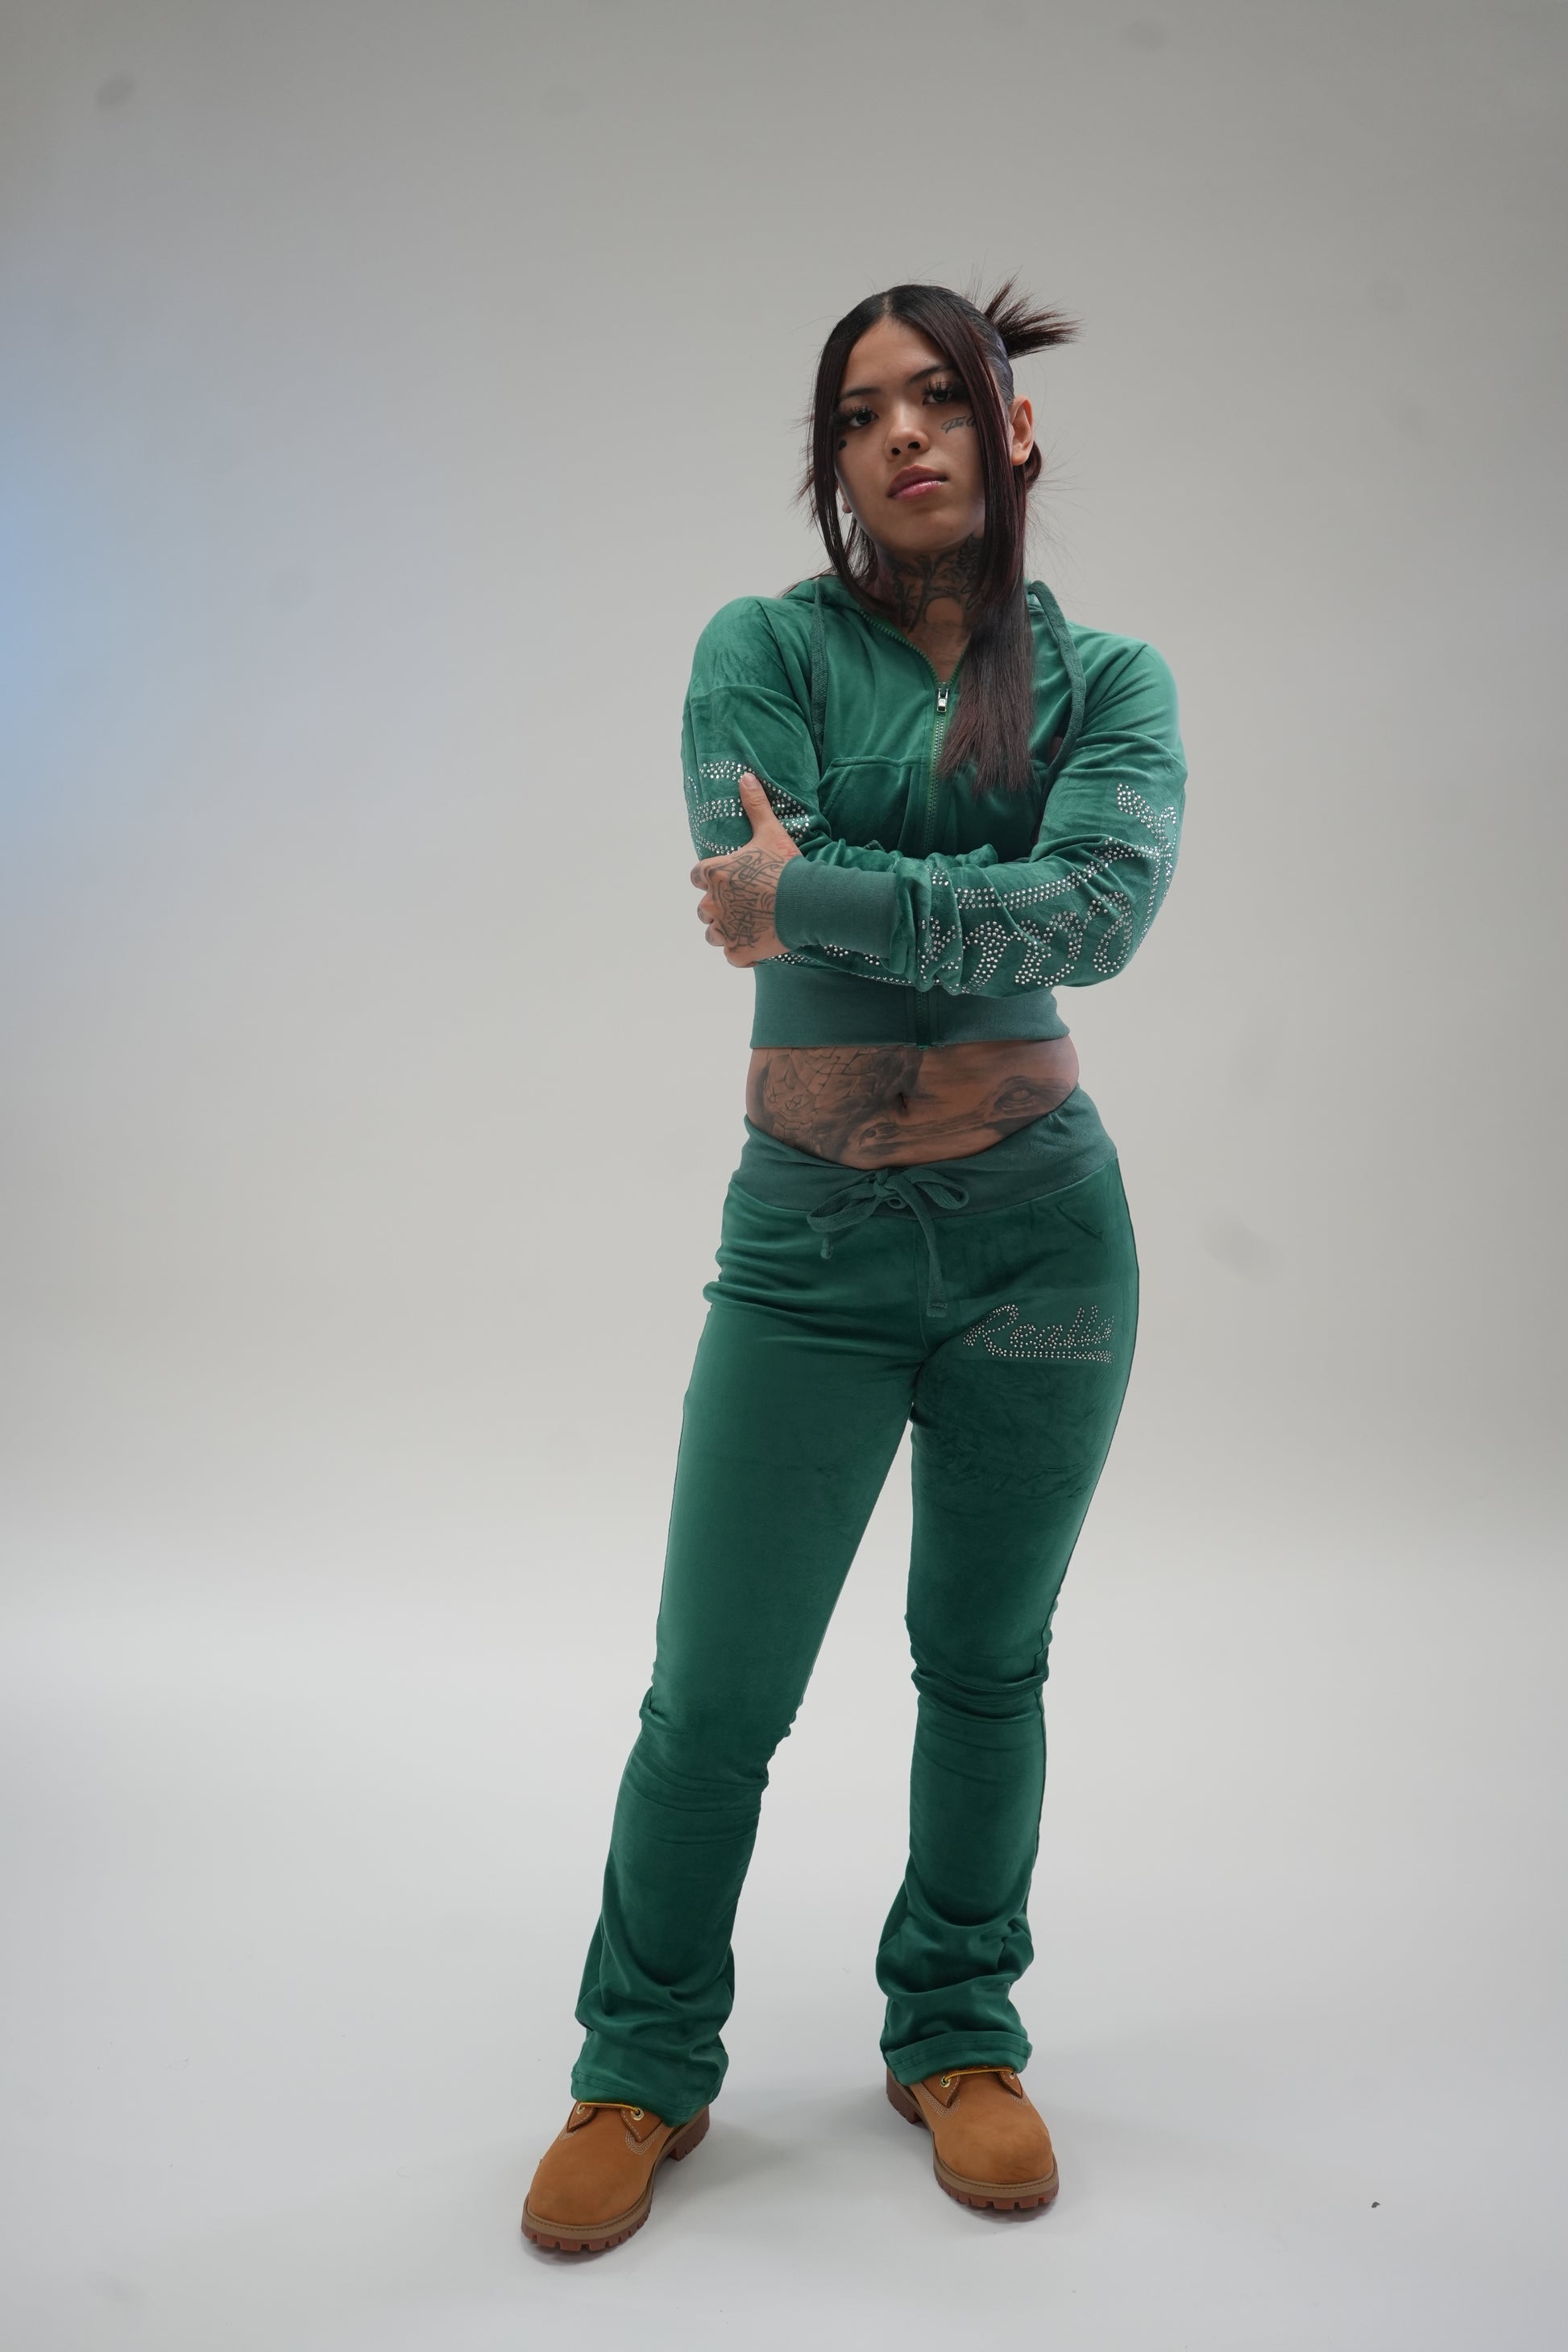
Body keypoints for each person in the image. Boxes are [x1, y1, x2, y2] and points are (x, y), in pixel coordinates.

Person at [522, 280, 1186, 2254]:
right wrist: (928, 900)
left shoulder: (1112, 679)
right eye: (858, 411)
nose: (901, 435)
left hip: (1040, 1241)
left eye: (940, 399)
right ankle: (640, 2059)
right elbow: (763, 916)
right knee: (714, 1690)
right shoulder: (763, 648)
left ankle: (958, 2029)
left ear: (1011, 430)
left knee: (985, 1661)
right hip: (805, 1243)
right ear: (833, 457)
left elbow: (1095, 913)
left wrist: (815, 884)